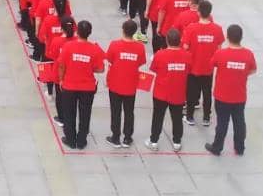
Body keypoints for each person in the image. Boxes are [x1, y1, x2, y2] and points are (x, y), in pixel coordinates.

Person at [205, 24, 257, 156]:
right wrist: (242, 73)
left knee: (222, 123)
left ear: (227, 37)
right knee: (239, 122)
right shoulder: (248, 54)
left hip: (222, 96)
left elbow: (211, 64)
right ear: (241, 37)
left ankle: (217, 147)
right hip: (239, 96)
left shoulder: (221, 54)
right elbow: (253, 70)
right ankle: (240, 148)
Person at [56, 19, 104, 150]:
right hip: (87, 87)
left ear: (77, 31)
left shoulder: (68, 46)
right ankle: (82, 141)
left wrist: (61, 80)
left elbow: (61, 65)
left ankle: (70, 140)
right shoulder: (94, 49)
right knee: (85, 114)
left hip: (69, 86)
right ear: (90, 33)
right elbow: (101, 69)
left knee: (69, 113)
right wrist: (88, 67)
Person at [146, 28, 192, 152]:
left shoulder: (160, 54)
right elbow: (189, 70)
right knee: (177, 118)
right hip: (178, 93)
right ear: (180, 41)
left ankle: (153, 141)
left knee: (158, 117)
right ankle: (177, 142)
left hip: (161, 93)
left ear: (167, 40)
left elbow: (154, 69)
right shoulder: (187, 55)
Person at [104, 19, 146, 147]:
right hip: (131, 84)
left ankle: (115, 137)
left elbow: (109, 60)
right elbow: (140, 62)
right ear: (134, 32)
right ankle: (127, 138)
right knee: (129, 111)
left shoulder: (114, 45)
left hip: (115, 84)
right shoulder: (140, 47)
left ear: (123, 30)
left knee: (115, 111)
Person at [183, 0, 224, 127]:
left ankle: (189, 116)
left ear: (198, 12)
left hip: (193, 67)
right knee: (207, 93)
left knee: (191, 92)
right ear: (210, 13)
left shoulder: (191, 28)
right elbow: (219, 48)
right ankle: (206, 117)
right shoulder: (217, 29)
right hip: (208, 68)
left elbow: (185, 47)